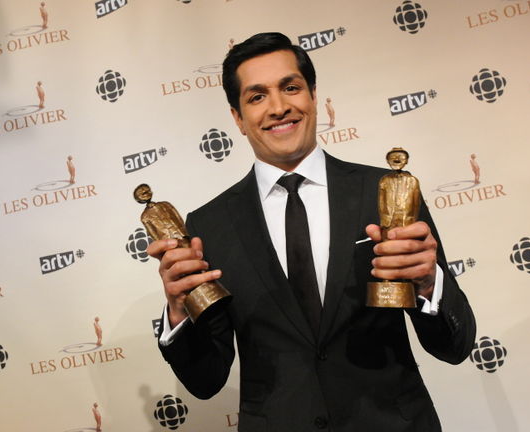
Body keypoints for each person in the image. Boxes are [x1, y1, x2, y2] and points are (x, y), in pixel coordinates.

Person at [148, 33, 475, 432]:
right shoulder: (208, 225)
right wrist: (178, 312)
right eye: (257, 96)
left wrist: (428, 284)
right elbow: (206, 380)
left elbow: (454, 346)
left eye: (290, 88)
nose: (278, 107)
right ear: (237, 118)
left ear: (314, 95)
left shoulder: (386, 191)